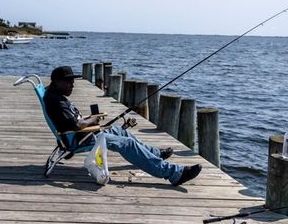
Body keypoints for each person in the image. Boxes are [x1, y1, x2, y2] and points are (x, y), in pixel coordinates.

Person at [44, 65, 201, 186]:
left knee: (120, 131)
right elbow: (78, 125)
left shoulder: (55, 95)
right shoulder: (56, 101)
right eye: (69, 82)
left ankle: (153, 153)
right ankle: (175, 174)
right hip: (81, 138)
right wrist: (94, 120)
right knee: (127, 143)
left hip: (84, 134)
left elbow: (72, 121)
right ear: (57, 82)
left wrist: (93, 120)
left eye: (73, 81)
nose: (72, 84)